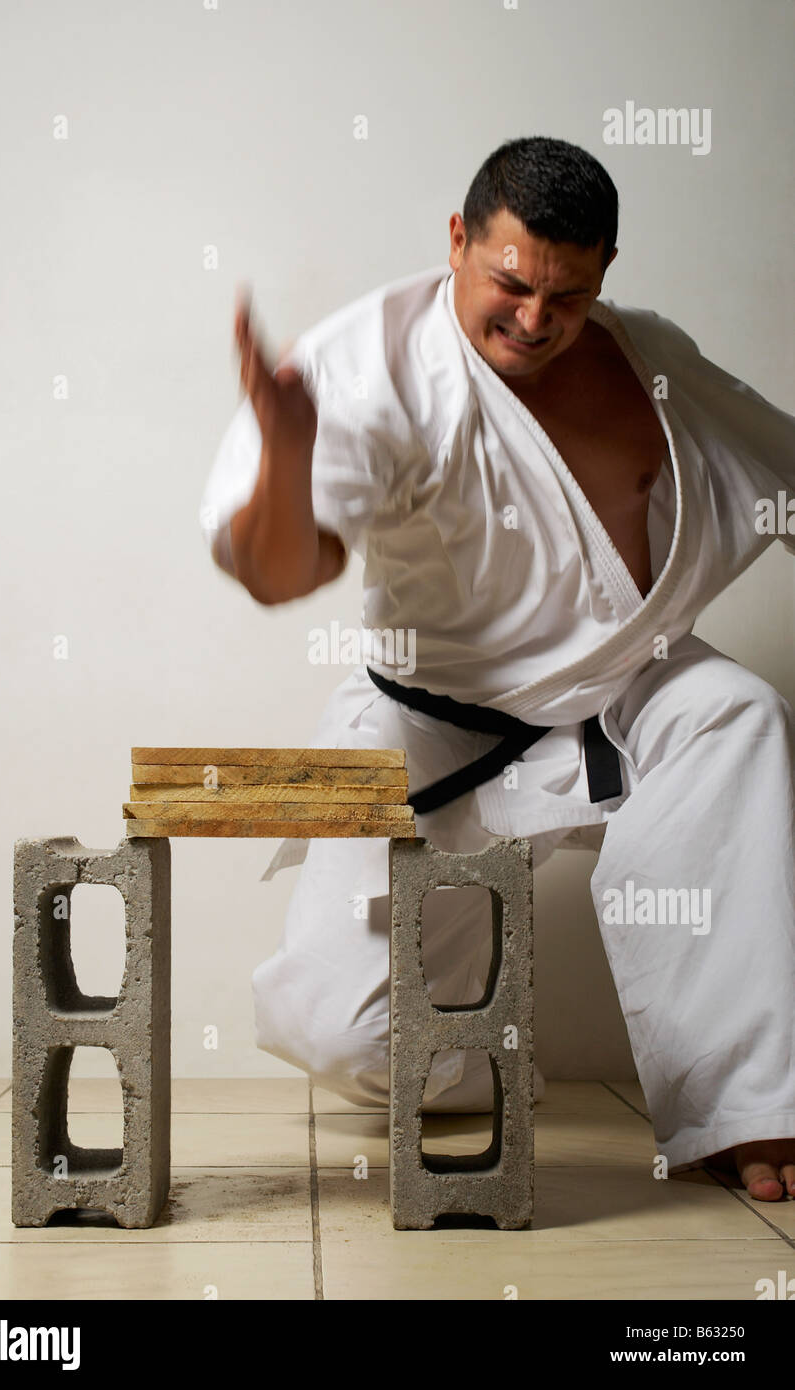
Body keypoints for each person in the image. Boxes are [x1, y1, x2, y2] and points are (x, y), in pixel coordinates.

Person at [199, 136, 795, 1201]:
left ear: (605, 270)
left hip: (620, 685)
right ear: (457, 239)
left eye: (565, 294)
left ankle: (740, 1105)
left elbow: (783, 467)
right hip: (429, 717)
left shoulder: (644, 356)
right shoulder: (376, 370)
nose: (532, 318)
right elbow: (278, 571)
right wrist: (286, 456)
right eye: (509, 282)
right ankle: (462, 1049)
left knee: (736, 709)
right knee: (342, 1032)